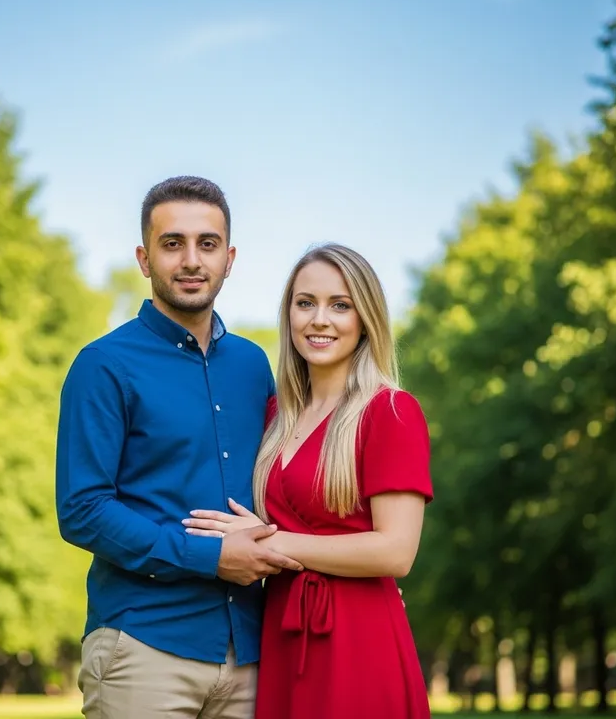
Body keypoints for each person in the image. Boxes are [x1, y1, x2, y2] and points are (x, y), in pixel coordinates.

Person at [55, 176, 303, 719]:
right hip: (145, 648)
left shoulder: (254, 365)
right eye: (173, 244)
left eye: (207, 244)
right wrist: (211, 558)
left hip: (252, 653)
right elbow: (82, 510)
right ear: (144, 259)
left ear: (229, 259)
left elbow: (284, 485)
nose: (191, 260)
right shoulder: (103, 365)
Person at [184, 242, 434, 718]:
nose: (320, 320)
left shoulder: (391, 412)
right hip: (281, 632)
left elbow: (396, 552)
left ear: (366, 318)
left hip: (359, 638)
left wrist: (269, 543)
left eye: (340, 305)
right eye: (306, 303)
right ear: (289, 315)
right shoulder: (276, 415)